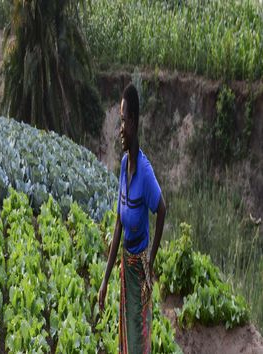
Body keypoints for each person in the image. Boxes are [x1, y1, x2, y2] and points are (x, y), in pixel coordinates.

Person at [98, 83, 166, 353]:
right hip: (127, 268)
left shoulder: (145, 172)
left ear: (134, 123)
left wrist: (150, 262)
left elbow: (162, 209)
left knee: (138, 342)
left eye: (124, 121)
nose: (120, 129)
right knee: (127, 339)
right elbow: (118, 224)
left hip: (139, 271)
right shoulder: (125, 166)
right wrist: (105, 280)